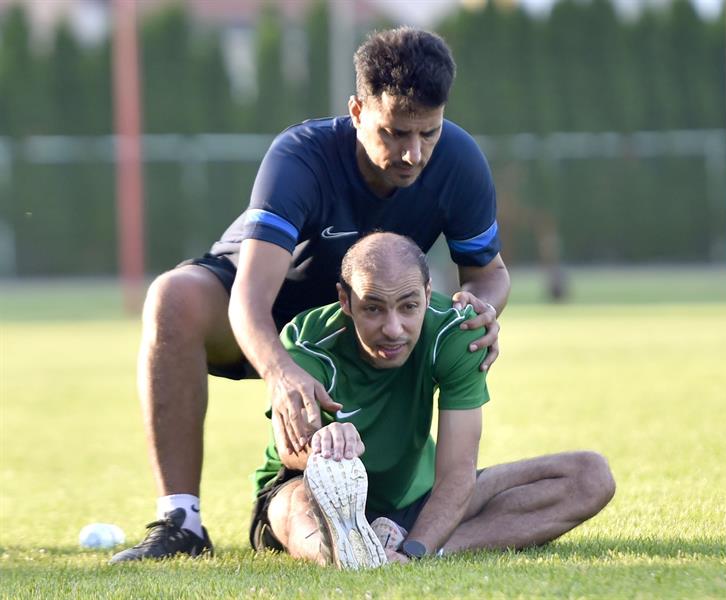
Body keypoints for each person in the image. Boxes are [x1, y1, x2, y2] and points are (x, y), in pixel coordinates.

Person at [111, 28, 510, 563]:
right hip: (272, 313)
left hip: (366, 320)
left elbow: (489, 275)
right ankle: (181, 522)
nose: (413, 153)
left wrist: (480, 309)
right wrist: (281, 372)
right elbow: (249, 300)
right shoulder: (301, 157)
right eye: (394, 133)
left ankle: (398, 523)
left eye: (428, 133)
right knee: (171, 298)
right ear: (357, 111)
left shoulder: (459, 160)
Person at [249, 232, 615, 567]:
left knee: (589, 476)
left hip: (417, 501)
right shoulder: (306, 343)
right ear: (345, 300)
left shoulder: (457, 333)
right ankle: (345, 554)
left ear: (427, 293)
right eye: (373, 308)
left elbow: (458, 471)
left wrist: (417, 548)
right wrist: (324, 445)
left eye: (408, 306)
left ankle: (411, 550)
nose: (393, 329)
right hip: (318, 496)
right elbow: (289, 449)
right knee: (292, 510)